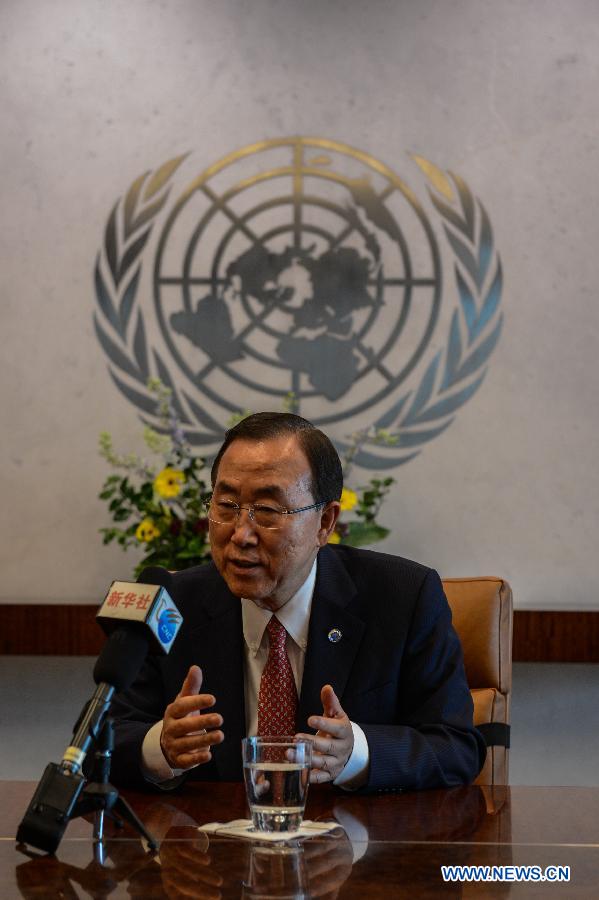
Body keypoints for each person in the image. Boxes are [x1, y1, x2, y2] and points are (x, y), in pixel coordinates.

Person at [109, 413, 485, 791]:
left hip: (354, 843)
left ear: (325, 522)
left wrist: (355, 753)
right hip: (214, 842)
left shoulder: (403, 598)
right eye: (225, 505)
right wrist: (159, 747)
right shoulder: (172, 605)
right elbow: (97, 741)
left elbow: (457, 747)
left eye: (268, 511)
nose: (241, 534)